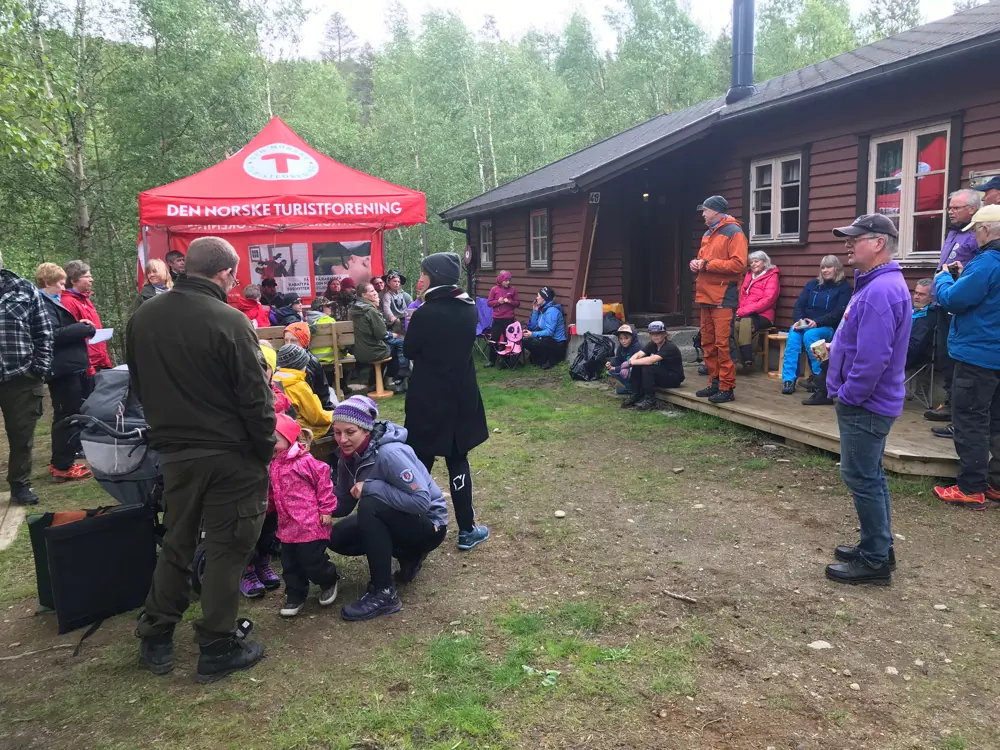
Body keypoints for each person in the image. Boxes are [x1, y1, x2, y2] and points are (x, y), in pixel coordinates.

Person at [128, 236, 275, 683]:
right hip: (231, 454)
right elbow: (256, 398)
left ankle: (156, 636)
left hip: (175, 453)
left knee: (177, 542)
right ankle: (217, 644)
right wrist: (265, 448)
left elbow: (137, 384)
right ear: (226, 273)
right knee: (228, 549)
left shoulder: (142, 318)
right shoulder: (229, 321)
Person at [824, 215, 911, 586]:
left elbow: (874, 357)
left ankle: (875, 561)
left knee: (860, 476)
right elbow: (864, 342)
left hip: (866, 403)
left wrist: (849, 395)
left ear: (878, 243)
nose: (847, 245)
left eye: (854, 239)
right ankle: (878, 546)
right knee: (869, 475)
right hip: (869, 400)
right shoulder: (875, 284)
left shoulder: (880, 290)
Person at [328, 396, 449, 621]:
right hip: (399, 518)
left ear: (366, 429)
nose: (342, 439)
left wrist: (371, 487)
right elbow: (344, 502)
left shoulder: (390, 453)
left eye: (350, 432)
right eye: (337, 432)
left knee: (370, 505)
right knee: (336, 536)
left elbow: (421, 501)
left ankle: (384, 592)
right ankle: (409, 555)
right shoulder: (347, 456)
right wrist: (312, 507)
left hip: (430, 524)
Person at [404, 252, 490, 551]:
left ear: (435, 277)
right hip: (460, 396)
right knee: (457, 459)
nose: (419, 279)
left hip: (428, 396)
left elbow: (410, 350)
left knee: (418, 462)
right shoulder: (468, 309)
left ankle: (405, 524)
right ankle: (467, 529)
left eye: (423, 273)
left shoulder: (425, 312)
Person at [931, 204, 1000, 510]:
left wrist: (945, 278)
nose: (973, 234)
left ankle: (971, 487)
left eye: (974, 229)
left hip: (977, 355)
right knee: (997, 422)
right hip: (996, 356)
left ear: (985, 230)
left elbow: (954, 300)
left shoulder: (987, 263)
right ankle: (996, 483)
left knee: (971, 420)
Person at [268, 414, 339, 617]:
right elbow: (274, 491)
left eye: (274, 439)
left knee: (312, 560)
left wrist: (326, 508)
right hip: (287, 526)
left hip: (310, 525)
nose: (270, 444)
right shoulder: (274, 464)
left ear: (289, 439)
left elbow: (324, 482)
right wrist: (268, 507)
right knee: (290, 564)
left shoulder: (305, 461)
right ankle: (295, 593)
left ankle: (328, 579)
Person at [925, 189, 984, 426]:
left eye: (955, 208)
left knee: (955, 355)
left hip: (958, 305)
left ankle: (958, 409)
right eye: (949, 207)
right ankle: (950, 403)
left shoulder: (976, 236)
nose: (950, 211)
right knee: (943, 353)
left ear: (972, 209)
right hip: (941, 301)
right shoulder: (954, 233)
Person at [0, 252, 54, 506]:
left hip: (21, 377)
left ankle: (20, 485)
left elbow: (43, 332)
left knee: (22, 435)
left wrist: (39, 368)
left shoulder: (23, 289)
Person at [35, 263, 94, 483]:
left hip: (69, 365)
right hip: (60, 368)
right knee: (66, 417)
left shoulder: (54, 302)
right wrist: (82, 327)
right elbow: (51, 334)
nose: (63, 287)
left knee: (69, 414)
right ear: (48, 282)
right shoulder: (42, 303)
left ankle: (63, 461)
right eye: (60, 283)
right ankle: (62, 466)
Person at [690, 195, 748, 404]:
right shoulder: (708, 233)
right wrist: (696, 264)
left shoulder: (734, 232)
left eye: (705, 210)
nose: (703, 213)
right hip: (706, 295)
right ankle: (714, 382)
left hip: (724, 296)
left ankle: (727, 387)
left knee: (723, 343)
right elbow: (704, 260)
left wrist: (706, 264)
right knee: (708, 342)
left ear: (716, 210)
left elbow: (739, 264)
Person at [779, 255, 852, 395]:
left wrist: (817, 322)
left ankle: (821, 376)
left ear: (837, 269)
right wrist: (799, 321)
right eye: (823, 267)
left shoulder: (843, 288)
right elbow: (799, 306)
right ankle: (788, 380)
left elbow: (838, 312)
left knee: (811, 335)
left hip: (828, 327)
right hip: (806, 324)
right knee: (794, 335)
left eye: (829, 267)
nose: (825, 270)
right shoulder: (812, 285)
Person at [61, 260, 112, 377]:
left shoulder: (85, 299)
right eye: (87, 276)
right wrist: (89, 369)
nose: (91, 279)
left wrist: (105, 362)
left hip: (99, 362)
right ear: (74, 280)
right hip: (87, 368)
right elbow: (73, 337)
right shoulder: (68, 302)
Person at [352, 281, 406, 392]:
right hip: (373, 351)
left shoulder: (354, 309)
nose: (376, 293)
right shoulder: (370, 310)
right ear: (363, 295)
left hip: (359, 350)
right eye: (372, 291)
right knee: (398, 343)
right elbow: (381, 334)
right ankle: (399, 378)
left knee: (394, 344)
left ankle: (378, 381)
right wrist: (393, 334)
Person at [622, 321, 685, 411]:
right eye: (653, 334)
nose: (656, 336)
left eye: (658, 333)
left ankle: (650, 400)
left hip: (673, 378)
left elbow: (651, 360)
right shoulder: (652, 344)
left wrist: (630, 363)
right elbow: (639, 354)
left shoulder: (670, 347)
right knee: (639, 364)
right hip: (660, 374)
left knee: (647, 367)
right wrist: (630, 362)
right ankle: (636, 394)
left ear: (664, 334)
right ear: (649, 335)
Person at [273, 344, 333, 436]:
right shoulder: (299, 386)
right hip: (303, 431)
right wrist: (335, 414)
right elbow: (316, 417)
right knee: (339, 426)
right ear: (302, 365)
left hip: (282, 429)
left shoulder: (275, 380)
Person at [735, 251, 780, 370]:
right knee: (734, 324)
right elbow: (742, 296)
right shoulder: (749, 275)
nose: (753, 264)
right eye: (751, 262)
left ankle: (746, 358)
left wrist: (742, 311)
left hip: (764, 315)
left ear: (765, 262)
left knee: (745, 322)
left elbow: (768, 300)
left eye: (756, 261)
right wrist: (739, 310)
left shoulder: (772, 276)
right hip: (745, 313)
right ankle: (741, 359)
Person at [283, 321, 336, 410]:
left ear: (304, 342)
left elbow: (322, 392)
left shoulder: (311, 363)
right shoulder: (281, 360)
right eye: (286, 340)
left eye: (293, 341)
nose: (288, 344)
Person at [523, 286, 567, 369]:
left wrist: (532, 334)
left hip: (556, 343)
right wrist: (535, 311)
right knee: (525, 341)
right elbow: (534, 326)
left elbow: (549, 332)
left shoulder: (552, 311)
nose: (536, 298)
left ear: (544, 298)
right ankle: (540, 359)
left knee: (539, 341)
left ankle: (551, 360)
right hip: (546, 339)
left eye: (538, 296)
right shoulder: (543, 309)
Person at [485, 271, 519, 367]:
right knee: (494, 339)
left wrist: (510, 301)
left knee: (508, 340)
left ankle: (507, 360)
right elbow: (489, 303)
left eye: (509, 280)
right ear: (501, 280)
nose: (508, 282)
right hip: (497, 318)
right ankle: (492, 360)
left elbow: (517, 303)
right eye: (506, 280)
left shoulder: (513, 290)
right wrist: (498, 302)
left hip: (509, 319)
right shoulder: (494, 289)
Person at [906, 279, 937, 369]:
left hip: (909, 358)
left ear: (931, 298)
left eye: (922, 294)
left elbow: (914, 347)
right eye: (916, 293)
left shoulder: (927, 318)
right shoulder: (911, 311)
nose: (916, 297)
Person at [606, 323, 642, 395]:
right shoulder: (620, 348)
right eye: (621, 338)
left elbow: (633, 364)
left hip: (635, 370)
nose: (623, 341)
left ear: (633, 337)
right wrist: (609, 364)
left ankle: (632, 389)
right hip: (625, 367)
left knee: (626, 371)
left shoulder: (637, 348)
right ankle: (629, 387)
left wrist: (615, 368)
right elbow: (618, 359)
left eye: (626, 338)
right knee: (612, 365)